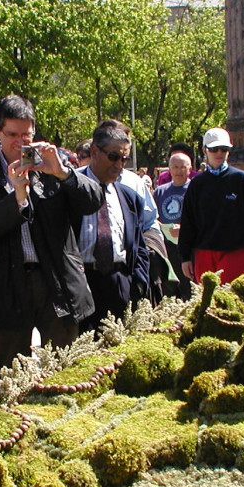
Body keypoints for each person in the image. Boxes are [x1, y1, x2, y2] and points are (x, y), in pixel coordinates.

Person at [0, 95, 102, 379]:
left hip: (55, 280)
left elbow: (93, 200)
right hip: (8, 284)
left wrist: (64, 173)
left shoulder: (51, 163)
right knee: (11, 374)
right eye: (12, 134)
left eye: (26, 134)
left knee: (66, 367)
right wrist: (16, 197)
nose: (20, 143)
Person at [75, 123, 150, 331]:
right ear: (95, 152)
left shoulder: (129, 196)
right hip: (83, 285)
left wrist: (138, 283)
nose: (119, 165)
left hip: (120, 286)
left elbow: (139, 244)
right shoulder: (70, 191)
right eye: (114, 156)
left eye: (124, 159)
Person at [178, 127, 244, 284]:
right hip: (204, 251)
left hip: (235, 250)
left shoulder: (240, 179)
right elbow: (188, 223)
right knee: (206, 300)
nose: (219, 153)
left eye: (224, 149)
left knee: (229, 299)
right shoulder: (197, 184)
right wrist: (185, 257)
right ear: (205, 150)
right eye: (214, 149)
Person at [155, 149, 194, 298]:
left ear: (190, 169)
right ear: (169, 169)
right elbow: (153, 217)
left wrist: (184, 229)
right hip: (166, 247)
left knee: (189, 288)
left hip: (189, 248)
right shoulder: (160, 191)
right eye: (175, 167)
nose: (179, 171)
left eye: (183, 167)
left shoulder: (195, 189)